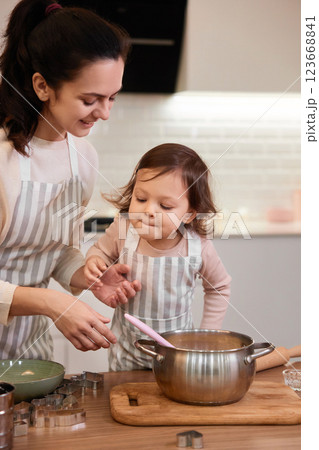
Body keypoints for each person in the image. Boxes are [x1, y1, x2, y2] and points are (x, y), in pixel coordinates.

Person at [0, 0, 142, 361]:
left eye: (112, 97)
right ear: (43, 86)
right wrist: (52, 303)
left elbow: (55, 251)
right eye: (90, 99)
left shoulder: (82, 158)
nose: (105, 113)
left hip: (28, 357)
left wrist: (87, 276)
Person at [84, 143, 232, 371]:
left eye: (165, 205)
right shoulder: (123, 230)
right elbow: (99, 251)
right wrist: (94, 261)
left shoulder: (197, 247)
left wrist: (206, 336)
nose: (149, 210)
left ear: (189, 214)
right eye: (141, 199)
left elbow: (219, 287)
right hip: (126, 355)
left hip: (177, 356)